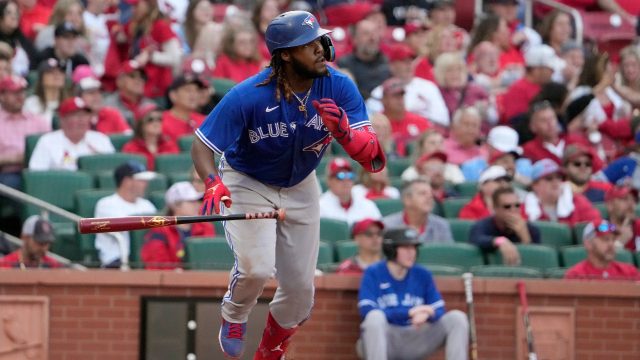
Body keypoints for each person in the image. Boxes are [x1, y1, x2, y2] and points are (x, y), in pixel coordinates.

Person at [191, 11, 386, 359]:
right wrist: (211, 181)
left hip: (301, 183)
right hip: (248, 179)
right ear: (285, 54)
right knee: (257, 269)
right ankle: (234, 314)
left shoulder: (339, 86)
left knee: (300, 290)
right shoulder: (248, 94)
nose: (320, 49)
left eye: (319, 41)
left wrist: (344, 134)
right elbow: (203, 144)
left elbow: (373, 158)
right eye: (308, 45)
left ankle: (271, 348)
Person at [357, 226, 469, 360]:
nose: (412, 253)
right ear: (391, 249)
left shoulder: (423, 274)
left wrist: (428, 312)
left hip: (415, 337)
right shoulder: (374, 272)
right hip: (386, 338)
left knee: (457, 318)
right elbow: (366, 309)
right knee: (374, 317)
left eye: (414, 248)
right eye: (406, 248)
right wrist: (409, 312)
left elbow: (439, 309)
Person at [94, 160, 157, 268]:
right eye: (141, 180)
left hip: (144, 259)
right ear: (127, 181)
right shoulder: (106, 204)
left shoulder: (147, 205)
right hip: (116, 260)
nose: (146, 184)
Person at [141, 181, 214, 269]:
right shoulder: (159, 230)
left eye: (197, 201)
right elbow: (155, 265)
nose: (197, 205)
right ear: (176, 205)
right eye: (191, 202)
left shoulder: (205, 227)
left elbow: (210, 259)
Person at [28, 97, 115, 171]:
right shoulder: (47, 141)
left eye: (85, 115)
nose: (82, 120)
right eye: (76, 115)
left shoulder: (101, 139)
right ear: (63, 119)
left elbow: (112, 171)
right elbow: (36, 173)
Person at [469, 187, 541, 265]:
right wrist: (500, 241)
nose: (513, 210)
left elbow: (536, 262)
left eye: (517, 205)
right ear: (495, 208)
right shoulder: (483, 225)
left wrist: (525, 238)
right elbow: (476, 238)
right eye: (507, 207)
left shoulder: (531, 229)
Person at [0, 75, 49, 189]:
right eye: (14, 93)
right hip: (8, 173)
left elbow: (53, 146)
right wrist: (15, 158)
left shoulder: (38, 120)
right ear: (2, 96)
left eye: (22, 92)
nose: (20, 96)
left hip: (38, 171)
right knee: (13, 183)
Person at [522, 158, 601, 226]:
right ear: (535, 185)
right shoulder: (524, 208)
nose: (555, 182)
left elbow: (597, 224)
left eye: (559, 177)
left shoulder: (577, 201)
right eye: (549, 178)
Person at [500, 44, 563, 123]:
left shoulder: (549, 87)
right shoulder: (518, 89)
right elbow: (516, 121)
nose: (552, 72)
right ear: (536, 70)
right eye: (549, 69)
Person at [383, 178, 453, 243]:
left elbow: (448, 255)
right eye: (422, 193)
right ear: (407, 200)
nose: (429, 197)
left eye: (431, 194)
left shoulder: (441, 226)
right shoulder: (388, 226)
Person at [565, 220, 639, 280]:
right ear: (588, 244)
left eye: (613, 240)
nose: (611, 244)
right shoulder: (576, 275)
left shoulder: (630, 273)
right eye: (605, 239)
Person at [336, 18, 390, 99]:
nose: (372, 38)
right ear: (354, 39)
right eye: (366, 34)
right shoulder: (344, 64)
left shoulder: (387, 62)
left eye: (375, 33)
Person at [319, 157, 383, 225]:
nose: (346, 180)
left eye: (349, 175)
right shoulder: (320, 207)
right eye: (340, 176)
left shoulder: (367, 204)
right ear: (329, 181)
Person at [122, 103, 179, 170]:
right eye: (150, 120)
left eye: (159, 119)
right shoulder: (130, 148)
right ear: (141, 124)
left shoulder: (170, 145)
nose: (156, 123)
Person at [23, 58, 69, 126]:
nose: (57, 75)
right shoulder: (31, 103)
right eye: (51, 72)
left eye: (61, 71)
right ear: (41, 78)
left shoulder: (69, 103)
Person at [161, 74, 207, 141]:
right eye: (188, 90)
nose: (193, 94)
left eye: (197, 90)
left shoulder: (205, 121)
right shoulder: (161, 121)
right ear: (173, 95)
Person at [604, 186, 640, 252]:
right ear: (610, 205)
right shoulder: (601, 227)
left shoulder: (638, 225)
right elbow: (600, 259)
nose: (631, 204)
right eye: (625, 199)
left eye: (634, 200)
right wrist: (620, 241)